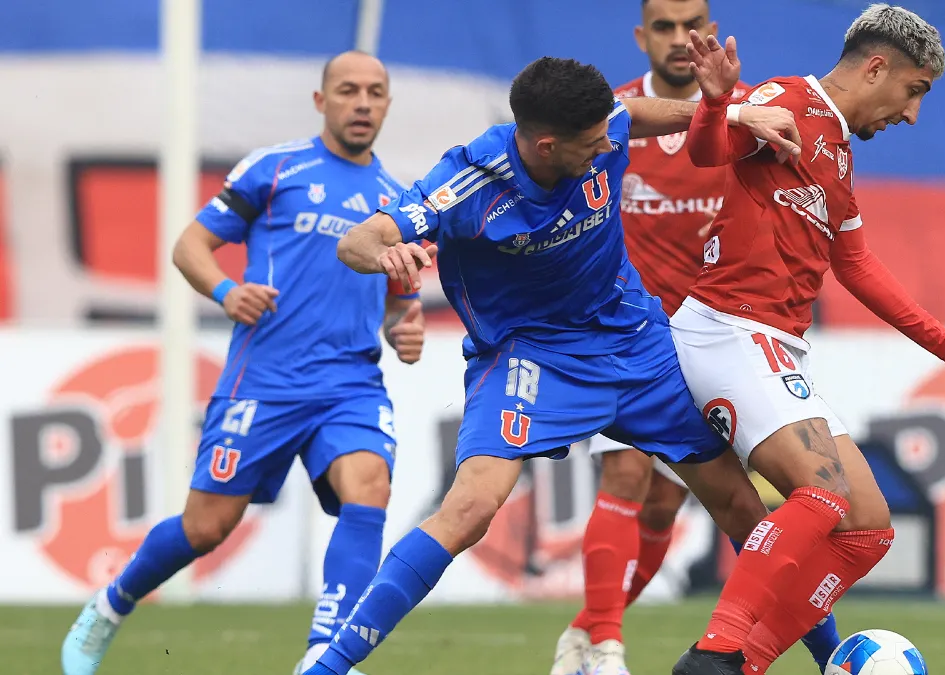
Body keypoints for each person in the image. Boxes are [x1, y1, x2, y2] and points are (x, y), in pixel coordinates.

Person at [300, 53, 805, 675]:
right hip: (531, 355)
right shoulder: (469, 182)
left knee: (738, 502)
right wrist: (388, 257)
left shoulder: (602, 126)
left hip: (632, 338)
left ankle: (836, 657)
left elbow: (634, 114)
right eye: (592, 146)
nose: (606, 150)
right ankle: (329, 665)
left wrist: (731, 109)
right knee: (471, 509)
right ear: (544, 144)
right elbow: (359, 239)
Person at [667, 6, 945, 674]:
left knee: (866, 527)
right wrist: (721, 102)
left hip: (773, 344)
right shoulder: (784, 100)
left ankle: (742, 661)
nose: (912, 114)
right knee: (823, 494)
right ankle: (715, 651)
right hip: (728, 328)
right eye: (914, 91)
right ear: (876, 67)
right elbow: (706, 150)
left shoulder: (834, 151)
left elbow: (855, 263)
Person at [60, 51, 425, 675]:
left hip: (350, 384)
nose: (362, 102)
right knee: (206, 527)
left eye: (374, 92)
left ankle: (325, 654)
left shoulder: (396, 202)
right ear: (321, 101)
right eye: (347, 90)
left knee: (370, 488)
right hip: (264, 382)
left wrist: (405, 330)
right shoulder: (277, 168)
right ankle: (111, 604)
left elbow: (401, 304)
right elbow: (190, 245)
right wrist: (227, 292)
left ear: (388, 104)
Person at [552, 2, 840, 674]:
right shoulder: (610, 119)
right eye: (664, 27)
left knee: (677, 501)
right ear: (640, 38)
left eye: (694, 24)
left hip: (718, 334)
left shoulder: (754, 114)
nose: (681, 40)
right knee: (626, 472)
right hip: (630, 334)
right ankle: (606, 648)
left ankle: (588, 628)